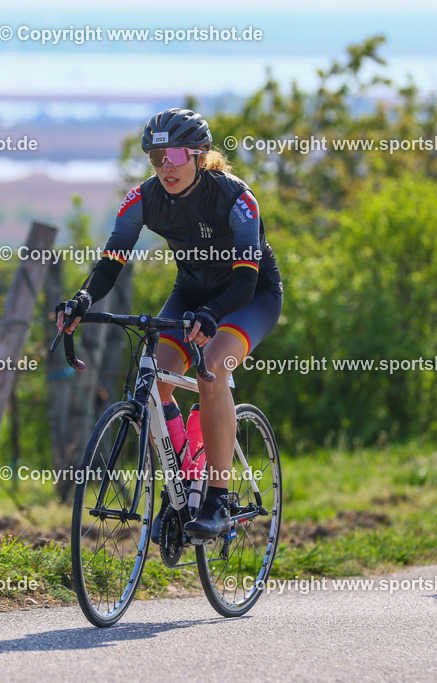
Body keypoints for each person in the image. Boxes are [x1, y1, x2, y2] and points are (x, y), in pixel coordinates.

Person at [56, 108, 284, 539]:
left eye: (176, 155)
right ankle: (182, 486)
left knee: (211, 370)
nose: (166, 166)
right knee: (155, 383)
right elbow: (111, 260)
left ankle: (216, 496)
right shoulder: (143, 198)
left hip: (248, 297)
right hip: (191, 294)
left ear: (200, 155)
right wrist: (83, 298)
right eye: (156, 156)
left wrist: (214, 315)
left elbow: (245, 279)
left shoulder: (237, 198)